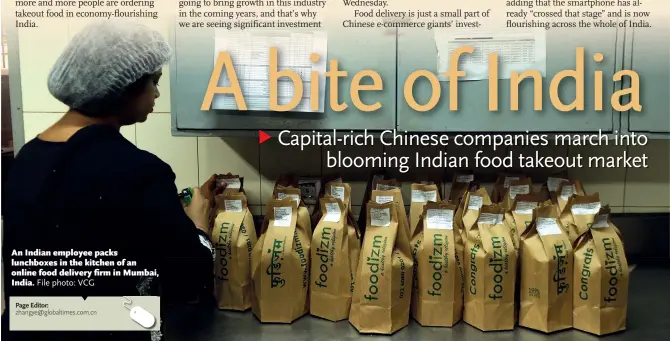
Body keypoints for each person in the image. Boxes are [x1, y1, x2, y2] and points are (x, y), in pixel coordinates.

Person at [1, 20, 216, 341]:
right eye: (153, 81)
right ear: (122, 85)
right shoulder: (139, 171)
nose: (157, 92)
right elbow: (188, 276)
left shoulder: (26, 159)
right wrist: (198, 225)